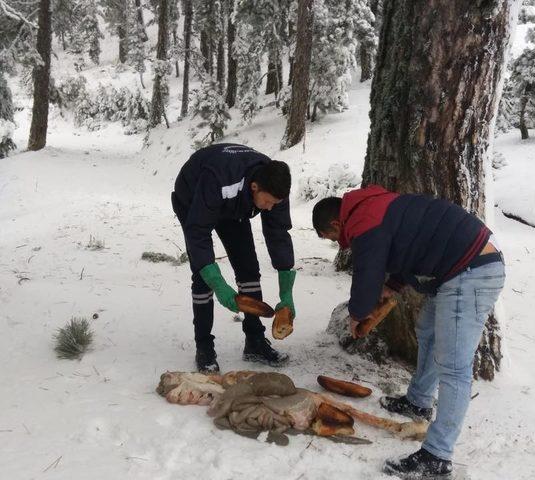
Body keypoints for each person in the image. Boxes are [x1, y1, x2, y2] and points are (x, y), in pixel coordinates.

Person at [312, 185, 505, 477]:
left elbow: (368, 274)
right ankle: (418, 402)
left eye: (333, 238)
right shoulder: (372, 208)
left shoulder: (363, 222)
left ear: (336, 223)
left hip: (471, 270)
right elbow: (412, 242)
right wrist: (394, 285)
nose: (341, 245)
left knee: (454, 366)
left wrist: (357, 314)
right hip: (458, 268)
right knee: (427, 329)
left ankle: (437, 457)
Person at [171, 143, 296, 372]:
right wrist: (218, 283)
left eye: (274, 204)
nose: (269, 208)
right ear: (255, 187)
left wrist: (286, 290)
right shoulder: (218, 178)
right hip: (193, 199)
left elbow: (278, 234)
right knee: (202, 276)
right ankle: (204, 347)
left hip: (235, 206)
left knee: (248, 270)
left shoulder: (275, 187)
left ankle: (255, 341)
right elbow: (198, 232)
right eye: (267, 202)